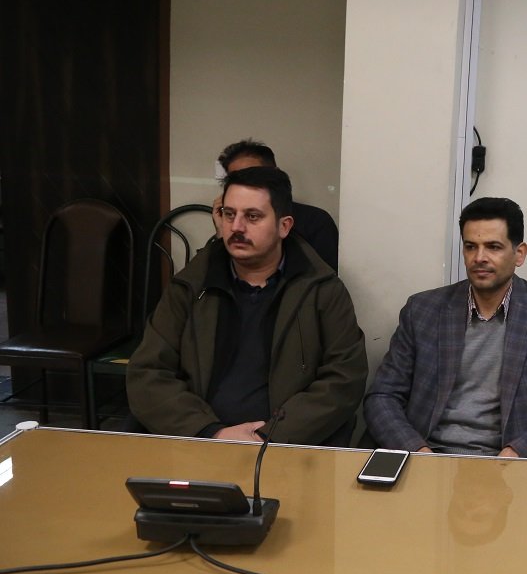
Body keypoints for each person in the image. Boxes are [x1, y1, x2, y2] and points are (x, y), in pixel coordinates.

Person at [128, 166, 368, 445]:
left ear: (284, 226)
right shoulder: (190, 286)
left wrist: (266, 438)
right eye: (229, 214)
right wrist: (211, 431)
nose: (236, 227)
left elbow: (343, 381)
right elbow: (148, 373)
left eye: (252, 216)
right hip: (200, 442)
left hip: (285, 446)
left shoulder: (322, 290)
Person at [364, 197, 527, 458]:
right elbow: (382, 396)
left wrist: (517, 452)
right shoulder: (423, 310)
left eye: (493, 247)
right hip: (428, 452)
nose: (479, 258)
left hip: (507, 458)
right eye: (471, 247)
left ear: (519, 254)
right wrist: (418, 451)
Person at [214, 139, 339, 270]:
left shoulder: (315, 221)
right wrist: (221, 233)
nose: (237, 227)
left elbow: (324, 275)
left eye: (253, 216)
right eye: (235, 179)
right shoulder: (230, 225)